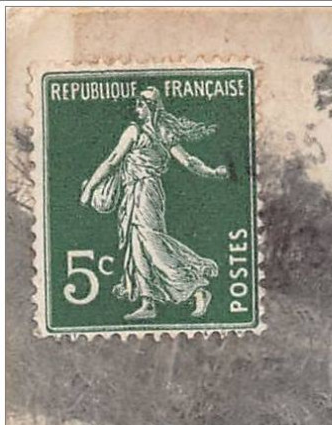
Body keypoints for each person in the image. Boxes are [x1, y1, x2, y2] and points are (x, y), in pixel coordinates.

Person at [78, 87, 229, 321]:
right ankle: (148, 302)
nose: (137, 109)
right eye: (137, 105)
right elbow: (187, 162)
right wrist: (212, 172)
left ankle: (197, 289)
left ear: (151, 107)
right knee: (137, 245)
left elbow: (113, 161)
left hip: (146, 192)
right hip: (134, 192)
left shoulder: (141, 131)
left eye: (141, 105)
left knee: (152, 243)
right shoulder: (155, 131)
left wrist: (89, 188)